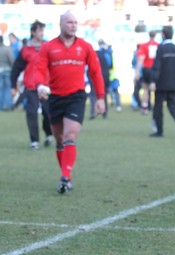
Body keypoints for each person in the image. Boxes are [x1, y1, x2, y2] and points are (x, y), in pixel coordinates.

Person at [35, 11, 105, 194]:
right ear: (61, 24)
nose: (73, 25)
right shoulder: (48, 47)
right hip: (55, 98)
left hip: (76, 97)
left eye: (75, 22)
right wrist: (41, 85)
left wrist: (100, 98)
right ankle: (68, 176)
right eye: (69, 22)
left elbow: (96, 72)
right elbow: (39, 69)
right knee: (59, 140)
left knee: (70, 137)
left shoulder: (85, 47)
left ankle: (65, 177)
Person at [10, 20, 53, 150]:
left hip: (46, 86)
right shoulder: (26, 50)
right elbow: (16, 68)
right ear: (33, 32)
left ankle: (49, 133)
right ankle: (34, 140)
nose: (42, 33)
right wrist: (13, 86)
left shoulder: (48, 47)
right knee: (31, 113)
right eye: (39, 30)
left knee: (47, 113)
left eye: (43, 30)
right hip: (31, 86)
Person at [149, 25, 175, 139]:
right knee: (173, 107)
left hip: (162, 84)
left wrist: (153, 81)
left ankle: (159, 131)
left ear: (163, 35)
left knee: (158, 108)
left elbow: (157, 66)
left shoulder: (161, 49)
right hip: (174, 84)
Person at [135, 31, 159, 114]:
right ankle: (156, 107)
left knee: (145, 88)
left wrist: (137, 72)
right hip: (156, 69)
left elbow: (140, 59)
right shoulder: (159, 45)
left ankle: (145, 107)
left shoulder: (144, 46)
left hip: (147, 69)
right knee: (157, 89)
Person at [88, 39, 112, 119]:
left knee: (93, 94)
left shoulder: (94, 53)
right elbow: (110, 64)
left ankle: (93, 112)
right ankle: (104, 112)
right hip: (105, 76)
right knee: (103, 94)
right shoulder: (107, 53)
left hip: (94, 75)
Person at [0, 35, 14, 111]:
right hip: (7, 70)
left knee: (0, 89)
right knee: (8, 88)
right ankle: (7, 105)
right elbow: (12, 60)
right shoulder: (7, 49)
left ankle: (0, 105)